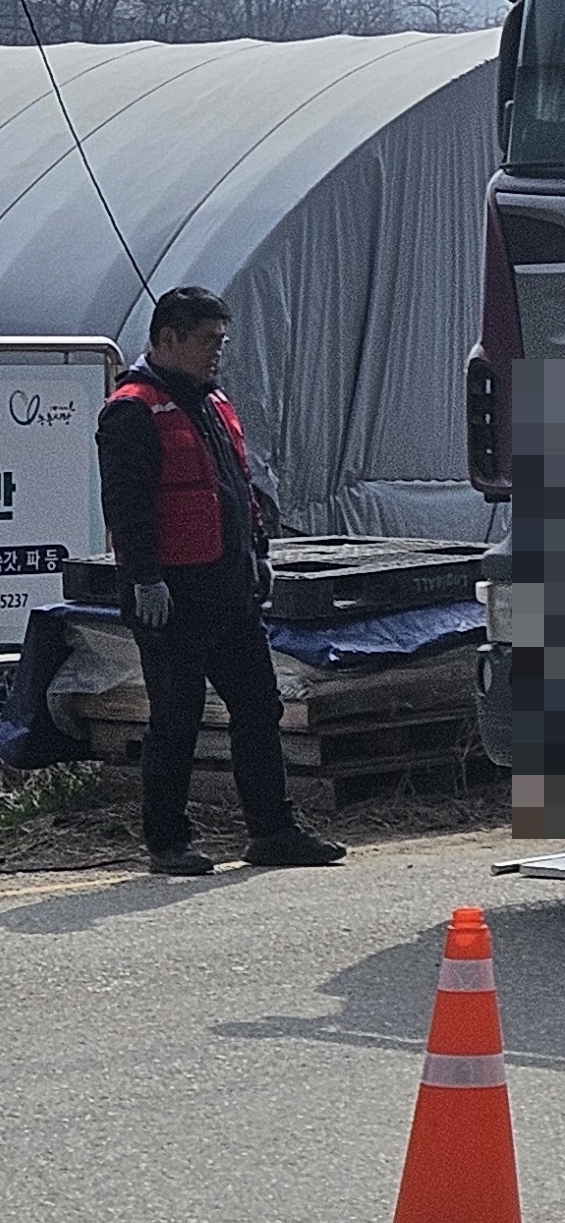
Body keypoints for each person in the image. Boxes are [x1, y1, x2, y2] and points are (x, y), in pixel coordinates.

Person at [95, 287, 345, 877]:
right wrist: (146, 579)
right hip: (174, 599)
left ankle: (273, 831)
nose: (217, 352)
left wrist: (259, 555)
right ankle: (167, 843)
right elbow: (126, 506)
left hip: (230, 590)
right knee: (175, 720)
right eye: (208, 341)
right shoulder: (132, 409)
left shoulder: (211, 403)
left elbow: (238, 490)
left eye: (222, 341)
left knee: (258, 709)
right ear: (168, 339)